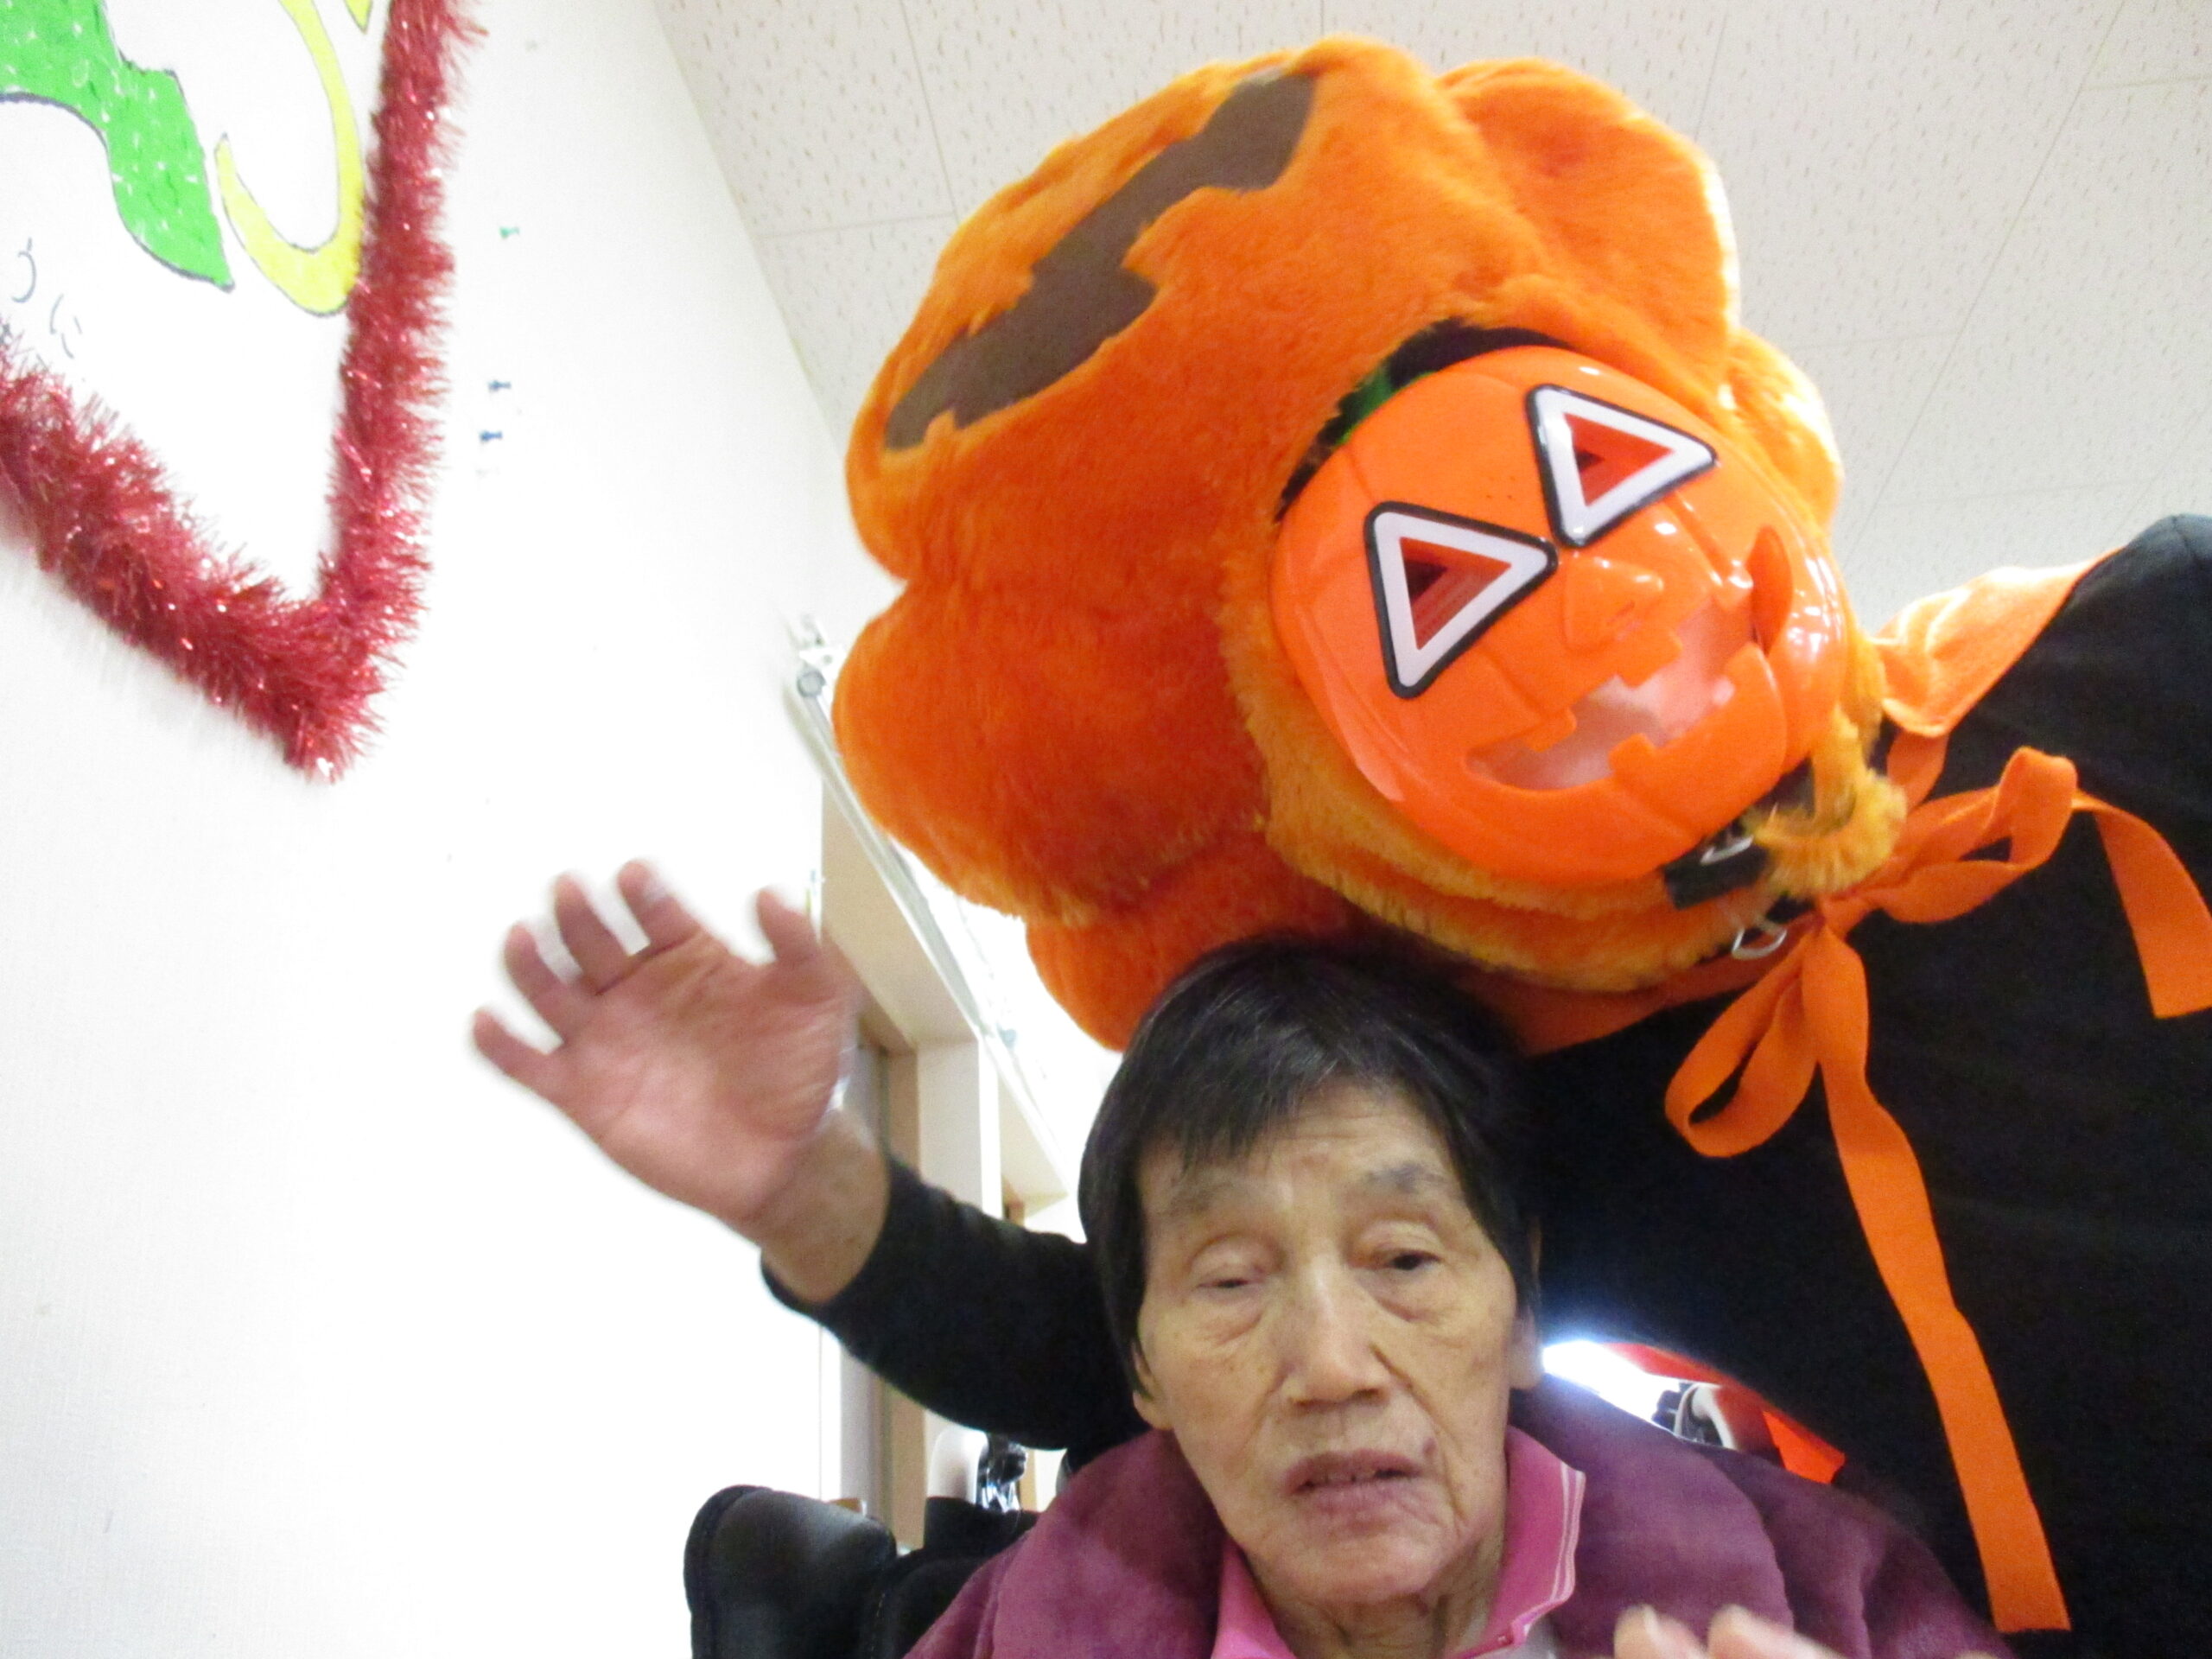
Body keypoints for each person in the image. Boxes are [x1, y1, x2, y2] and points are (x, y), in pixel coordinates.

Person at [474, 887, 2004, 1659]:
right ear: (1139, 1368)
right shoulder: (1029, 1626)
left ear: (1525, 1312)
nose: (1330, 1362)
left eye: (1403, 1257)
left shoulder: (1827, 1593)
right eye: (1227, 1282)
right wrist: (800, 1187)